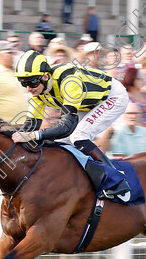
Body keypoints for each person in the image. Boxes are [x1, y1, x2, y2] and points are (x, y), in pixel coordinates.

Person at [11, 48, 131, 198]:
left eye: (32, 82)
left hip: (112, 97)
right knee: (61, 144)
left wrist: (34, 135)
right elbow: (29, 127)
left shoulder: (68, 81)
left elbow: (67, 127)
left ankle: (117, 180)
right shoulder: (37, 91)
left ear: (46, 77)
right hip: (87, 102)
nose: (28, 88)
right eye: (23, 83)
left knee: (78, 136)